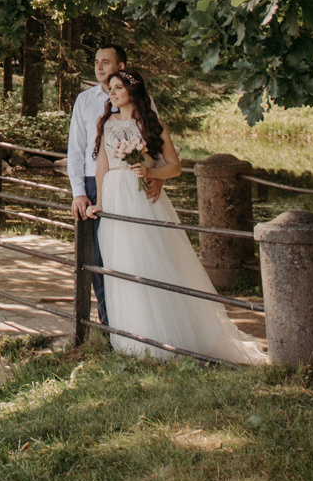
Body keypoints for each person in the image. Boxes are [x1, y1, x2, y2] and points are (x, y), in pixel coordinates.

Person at [79, 67, 262, 365]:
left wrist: (150, 172)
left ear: (132, 92)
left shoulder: (152, 125)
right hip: (113, 199)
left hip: (141, 199)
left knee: (147, 262)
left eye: (118, 88)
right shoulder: (106, 122)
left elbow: (174, 167)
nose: (112, 93)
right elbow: (102, 164)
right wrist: (99, 200)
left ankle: (163, 339)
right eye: (110, 88)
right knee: (120, 264)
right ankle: (129, 341)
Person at [64, 45, 126, 327]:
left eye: (106, 62)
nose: (99, 67)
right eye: (96, 62)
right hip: (91, 184)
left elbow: (152, 139)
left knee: (128, 252)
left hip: (128, 183)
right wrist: (78, 192)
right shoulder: (85, 100)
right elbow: (76, 149)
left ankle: (134, 323)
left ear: (121, 67)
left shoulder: (139, 99)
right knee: (96, 257)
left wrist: (155, 178)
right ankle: (108, 325)